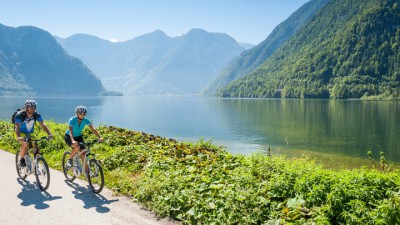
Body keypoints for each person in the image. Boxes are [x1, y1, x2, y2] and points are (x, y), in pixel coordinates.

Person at [15, 99, 53, 167]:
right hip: (20, 132)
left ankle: (37, 161)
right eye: (31, 108)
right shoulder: (20, 115)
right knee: (25, 143)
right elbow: (17, 126)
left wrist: (49, 134)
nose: (33, 109)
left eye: (34, 108)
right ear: (26, 108)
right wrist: (19, 137)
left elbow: (43, 125)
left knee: (36, 147)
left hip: (30, 133)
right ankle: (21, 159)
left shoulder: (36, 115)